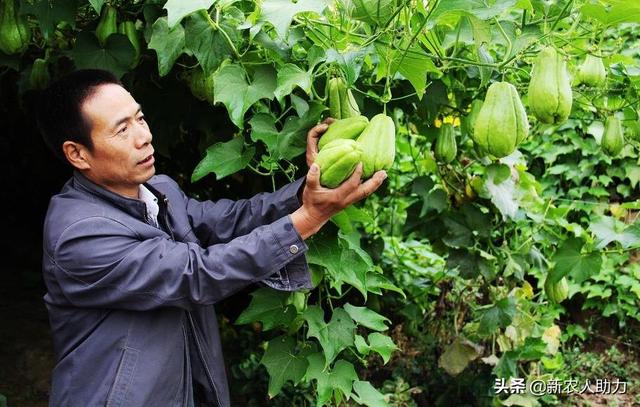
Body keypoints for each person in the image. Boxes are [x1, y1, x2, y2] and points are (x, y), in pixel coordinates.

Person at [36, 69, 386, 406]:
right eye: (121, 129)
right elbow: (195, 275)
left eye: (140, 119)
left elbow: (231, 221)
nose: (144, 136)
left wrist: (313, 184)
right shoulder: (79, 235)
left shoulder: (158, 190)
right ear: (77, 153)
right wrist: (308, 218)